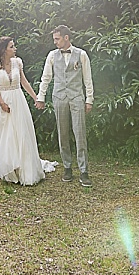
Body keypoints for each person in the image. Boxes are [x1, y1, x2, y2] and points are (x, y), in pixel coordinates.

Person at [0, 36, 57, 185]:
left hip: (18, 100)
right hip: (3, 101)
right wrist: (1, 102)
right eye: (12, 46)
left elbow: (24, 82)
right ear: (4, 50)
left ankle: (25, 169)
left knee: (22, 133)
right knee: (6, 135)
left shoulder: (17, 63)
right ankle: (10, 169)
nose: (15, 49)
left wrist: (36, 97)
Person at [35, 25, 95, 188]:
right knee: (62, 134)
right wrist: (41, 96)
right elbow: (46, 77)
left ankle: (84, 171)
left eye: (57, 39)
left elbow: (87, 79)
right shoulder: (52, 56)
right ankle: (67, 167)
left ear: (66, 38)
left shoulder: (81, 54)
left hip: (76, 97)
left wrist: (89, 99)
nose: (55, 42)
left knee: (80, 133)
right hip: (59, 97)